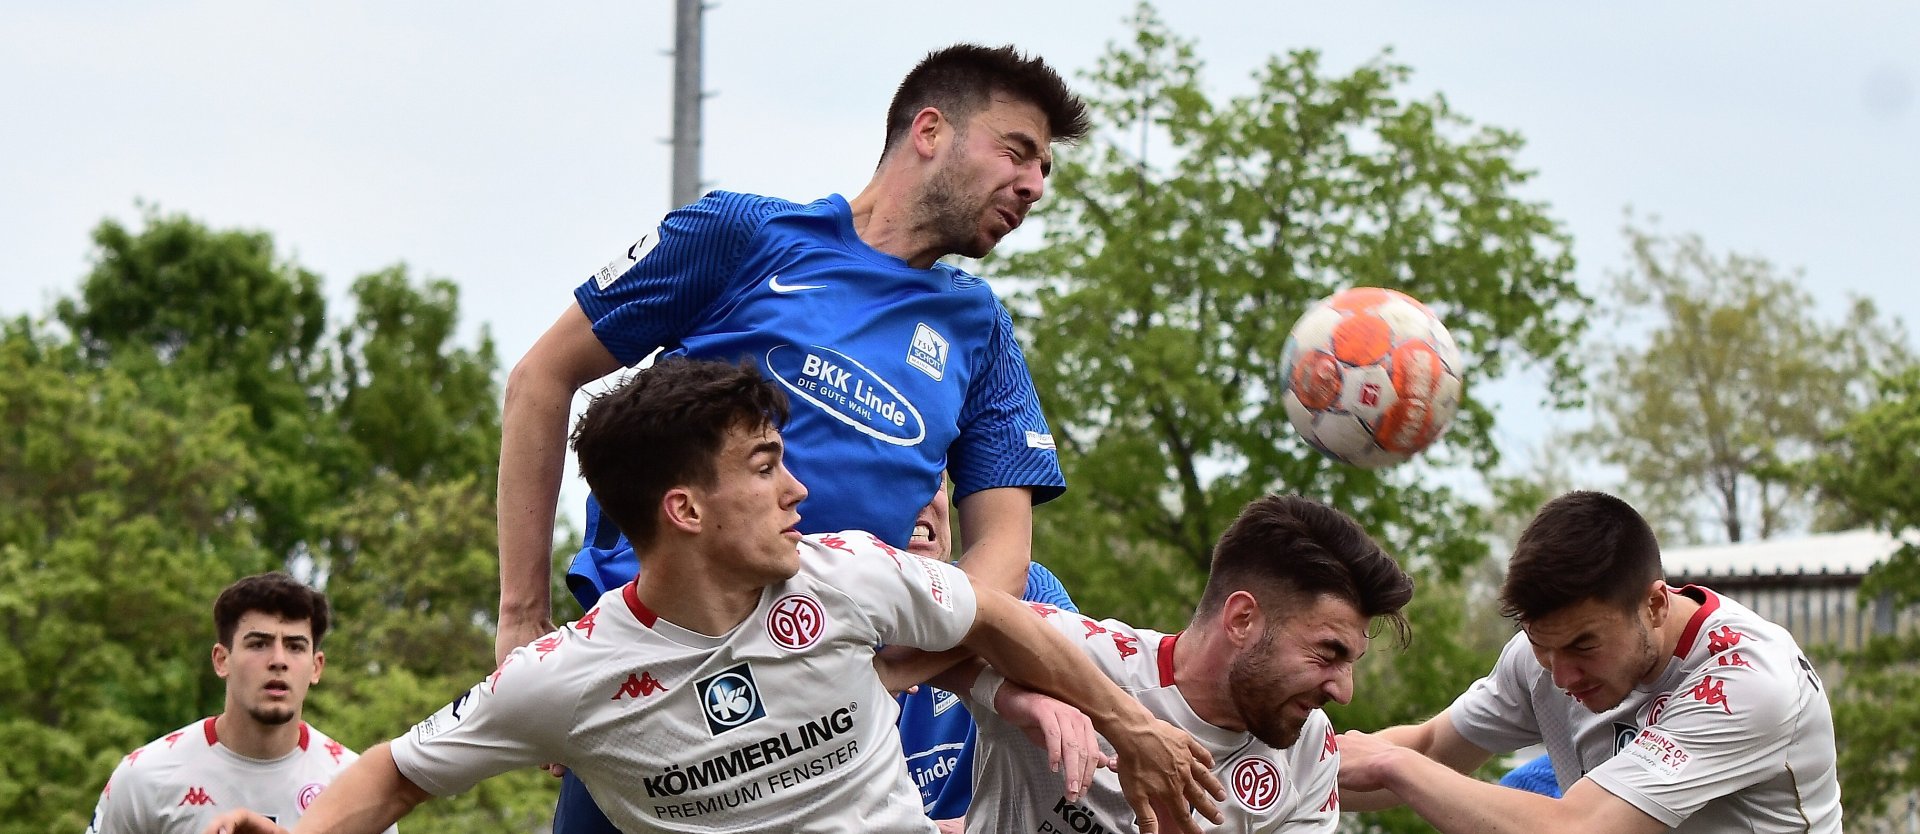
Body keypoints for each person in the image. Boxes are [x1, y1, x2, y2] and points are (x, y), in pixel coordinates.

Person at [202, 358, 1225, 834]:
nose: (798, 490)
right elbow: (390, 775)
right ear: (685, 509)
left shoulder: (848, 575)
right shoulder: (568, 676)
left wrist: (1126, 724)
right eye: (768, 465)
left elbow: (992, 616)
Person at [500, 44, 1087, 830]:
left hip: (813, 729)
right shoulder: (744, 234)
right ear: (929, 130)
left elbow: (1003, 554)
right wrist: (519, 619)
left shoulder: (981, 331)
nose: (1035, 186)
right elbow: (541, 379)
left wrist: (893, 671)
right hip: (655, 680)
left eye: (1044, 169)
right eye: (1017, 152)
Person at [1337, 490, 1842, 833]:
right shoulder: (1544, 657)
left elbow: (1578, 828)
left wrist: (1393, 763)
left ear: (1656, 604)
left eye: (1583, 646)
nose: (1560, 676)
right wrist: (1278, 765)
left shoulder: (1750, 682)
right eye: (1541, 645)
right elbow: (1429, 747)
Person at [951, 494, 1416, 833]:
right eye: (1327, 652)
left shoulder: (1311, 752)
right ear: (1241, 619)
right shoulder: (1077, 651)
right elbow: (903, 627)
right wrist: (1012, 698)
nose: (1343, 691)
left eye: (1351, 662)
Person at [87, 573, 389, 834]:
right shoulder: (144, 777)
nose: (278, 661)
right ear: (221, 660)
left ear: (316, 667)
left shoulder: (356, 785)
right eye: (259, 644)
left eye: (295, 647)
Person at [887, 477, 1082, 831]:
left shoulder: (1025, 590)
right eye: (896, 476)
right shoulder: (830, 633)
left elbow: (1083, 739)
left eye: (934, 475)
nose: (921, 496)